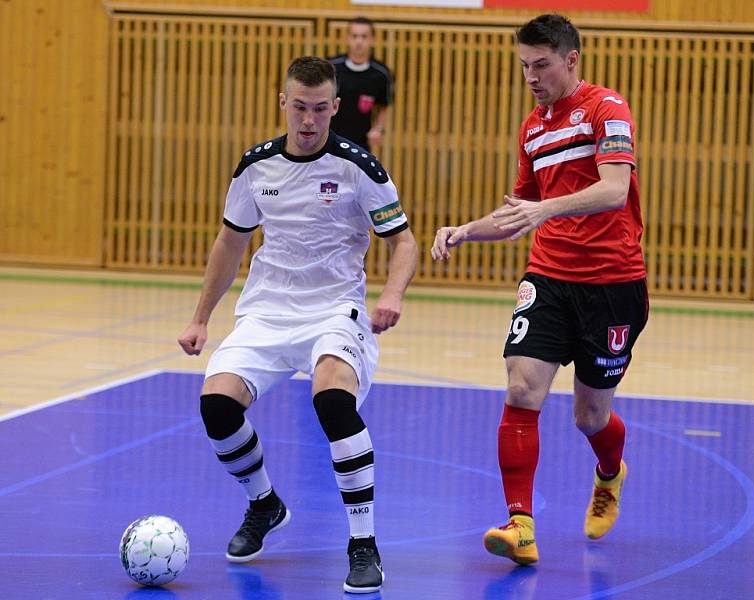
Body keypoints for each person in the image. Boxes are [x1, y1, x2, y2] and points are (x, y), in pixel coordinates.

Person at [178, 56, 418, 593]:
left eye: (319, 110)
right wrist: (200, 319)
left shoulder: (360, 167)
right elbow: (230, 243)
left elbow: (403, 241)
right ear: (282, 102)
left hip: (334, 308)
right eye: (299, 108)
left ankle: (363, 543)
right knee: (216, 405)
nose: (308, 121)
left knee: (333, 402)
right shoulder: (255, 166)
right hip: (266, 310)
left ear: (335, 107)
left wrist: (392, 294)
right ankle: (263, 504)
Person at [431, 14, 648, 566]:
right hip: (548, 276)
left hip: (611, 284)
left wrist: (544, 209)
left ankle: (609, 472)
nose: (530, 76)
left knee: (589, 417)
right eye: (524, 65)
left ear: (571, 60)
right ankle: (520, 525)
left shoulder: (607, 108)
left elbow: (615, 189)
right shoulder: (533, 127)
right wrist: (464, 231)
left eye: (541, 65)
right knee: (523, 388)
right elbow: (517, 213)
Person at [329, 17, 393, 152]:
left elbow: (384, 105)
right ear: (347, 38)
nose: (359, 41)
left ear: (372, 40)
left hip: (360, 145)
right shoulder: (331, 67)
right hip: (328, 140)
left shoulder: (381, 73)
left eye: (364, 36)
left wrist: (379, 129)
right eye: (355, 36)